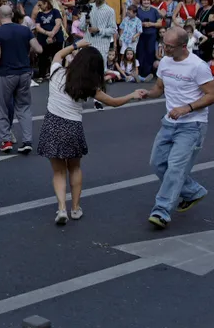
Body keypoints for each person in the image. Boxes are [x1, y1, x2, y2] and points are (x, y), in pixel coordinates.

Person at [39, 41, 147, 224]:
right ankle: (75, 208)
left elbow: (58, 54)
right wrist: (131, 95)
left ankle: (61, 209)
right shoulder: (88, 86)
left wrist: (76, 44)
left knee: (58, 172)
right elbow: (113, 102)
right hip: (72, 126)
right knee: (74, 167)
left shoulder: (57, 72)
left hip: (52, 124)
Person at [141, 26, 214, 231]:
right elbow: (159, 88)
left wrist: (187, 108)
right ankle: (193, 191)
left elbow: (212, 95)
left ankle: (162, 210)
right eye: (164, 44)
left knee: (175, 167)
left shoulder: (197, 66)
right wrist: (147, 94)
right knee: (157, 164)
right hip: (169, 122)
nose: (164, 49)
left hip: (192, 125)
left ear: (183, 46)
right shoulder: (165, 62)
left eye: (169, 46)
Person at [0, 5, 41, 154]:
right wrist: (24, 51)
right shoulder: (24, 30)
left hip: (6, 73)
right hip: (24, 72)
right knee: (23, 107)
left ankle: (6, 140)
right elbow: (39, 49)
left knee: (2, 107)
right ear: (12, 15)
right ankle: (27, 140)